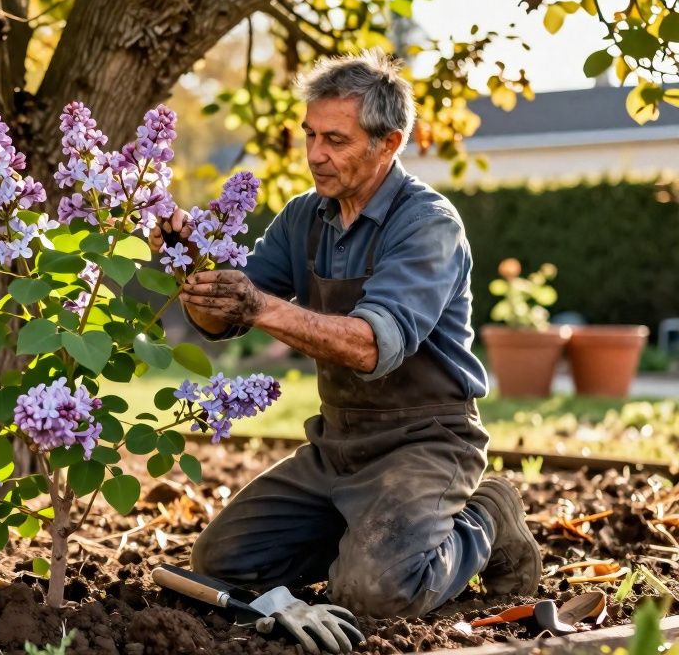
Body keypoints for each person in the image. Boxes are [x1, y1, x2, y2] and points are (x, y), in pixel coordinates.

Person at [150, 50, 541, 619]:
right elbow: (222, 322)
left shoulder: (427, 224)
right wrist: (195, 271)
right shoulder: (304, 217)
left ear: (389, 143)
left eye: (335, 140)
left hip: (426, 443)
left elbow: (371, 346)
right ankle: (368, 537)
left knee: (375, 595)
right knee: (220, 563)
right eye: (310, 135)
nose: (314, 155)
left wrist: (257, 305)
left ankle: (486, 516)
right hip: (338, 444)